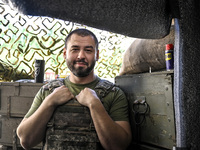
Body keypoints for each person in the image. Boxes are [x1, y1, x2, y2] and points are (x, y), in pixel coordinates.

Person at [17, 28, 132, 150]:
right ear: (65, 53)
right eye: (75, 49)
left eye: (88, 50)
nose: (81, 56)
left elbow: (119, 146)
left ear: (97, 55)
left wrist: (95, 104)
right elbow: (26, 141)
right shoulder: (48, 91)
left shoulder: (113, 94)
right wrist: (49, 102)